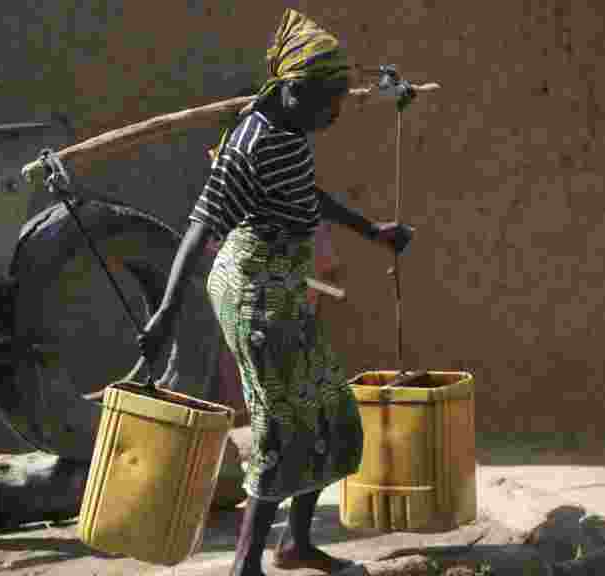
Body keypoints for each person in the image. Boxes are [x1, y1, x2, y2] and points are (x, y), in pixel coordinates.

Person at [138, 9, 414, 576]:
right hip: (252, 291)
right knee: (282, 424)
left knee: (330, 412)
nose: (335, 112)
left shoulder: (288, 130)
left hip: (283, 283)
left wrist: (372, 231)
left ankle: (295, 546)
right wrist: (166, 310)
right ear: (291, 89)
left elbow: (306, 193)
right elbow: (200, 226)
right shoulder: (246, 146)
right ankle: (244, 566)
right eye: (326, 100)